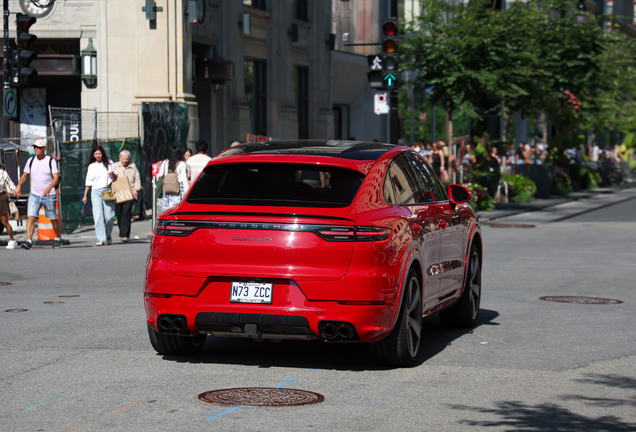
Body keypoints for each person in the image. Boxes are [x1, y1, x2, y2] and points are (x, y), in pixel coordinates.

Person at [14, 140, 62, 249]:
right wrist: (19, 186)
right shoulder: (31, 161)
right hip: (34, 195)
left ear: (44, 149)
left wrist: (49, 188)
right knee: (31, 217)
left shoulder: (51, 161)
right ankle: (29, 241)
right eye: (34, 147)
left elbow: (56, 178)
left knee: (53, 218)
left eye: (38, 147)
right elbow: (25, 175)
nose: (36, 149)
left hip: (48, 195)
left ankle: (57, 238)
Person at [82, 145, 118, 246]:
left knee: (109, 216)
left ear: (102, 154)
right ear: (93, 155)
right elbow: (88, 182)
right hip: (95, 192)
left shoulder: (109, 163)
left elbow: (116, 176)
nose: (98, 156)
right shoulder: (91, 166)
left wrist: (112, 174)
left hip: (107, 191)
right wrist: (85, 195)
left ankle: (108, 235)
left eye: (99, 154)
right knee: (98, 216)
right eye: (96, 154)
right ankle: (101, 239)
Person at [114, 150, 142, 243]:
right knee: (119, 213)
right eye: (123, 159)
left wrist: (135, 189)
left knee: (126, 212)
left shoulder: (133, 166)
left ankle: (125, 234)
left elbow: (137, 179)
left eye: (126, 159)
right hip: (118, 193)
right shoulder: (115, 166)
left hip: (129, 193)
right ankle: (122, 231)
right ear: (120, 158)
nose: (125, 161)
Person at [0, 162, 17, 249]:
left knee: (4, 222)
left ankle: (12, 240)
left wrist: (15, 191)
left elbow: (11, 184)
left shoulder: (3, 173)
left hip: (1, 197)